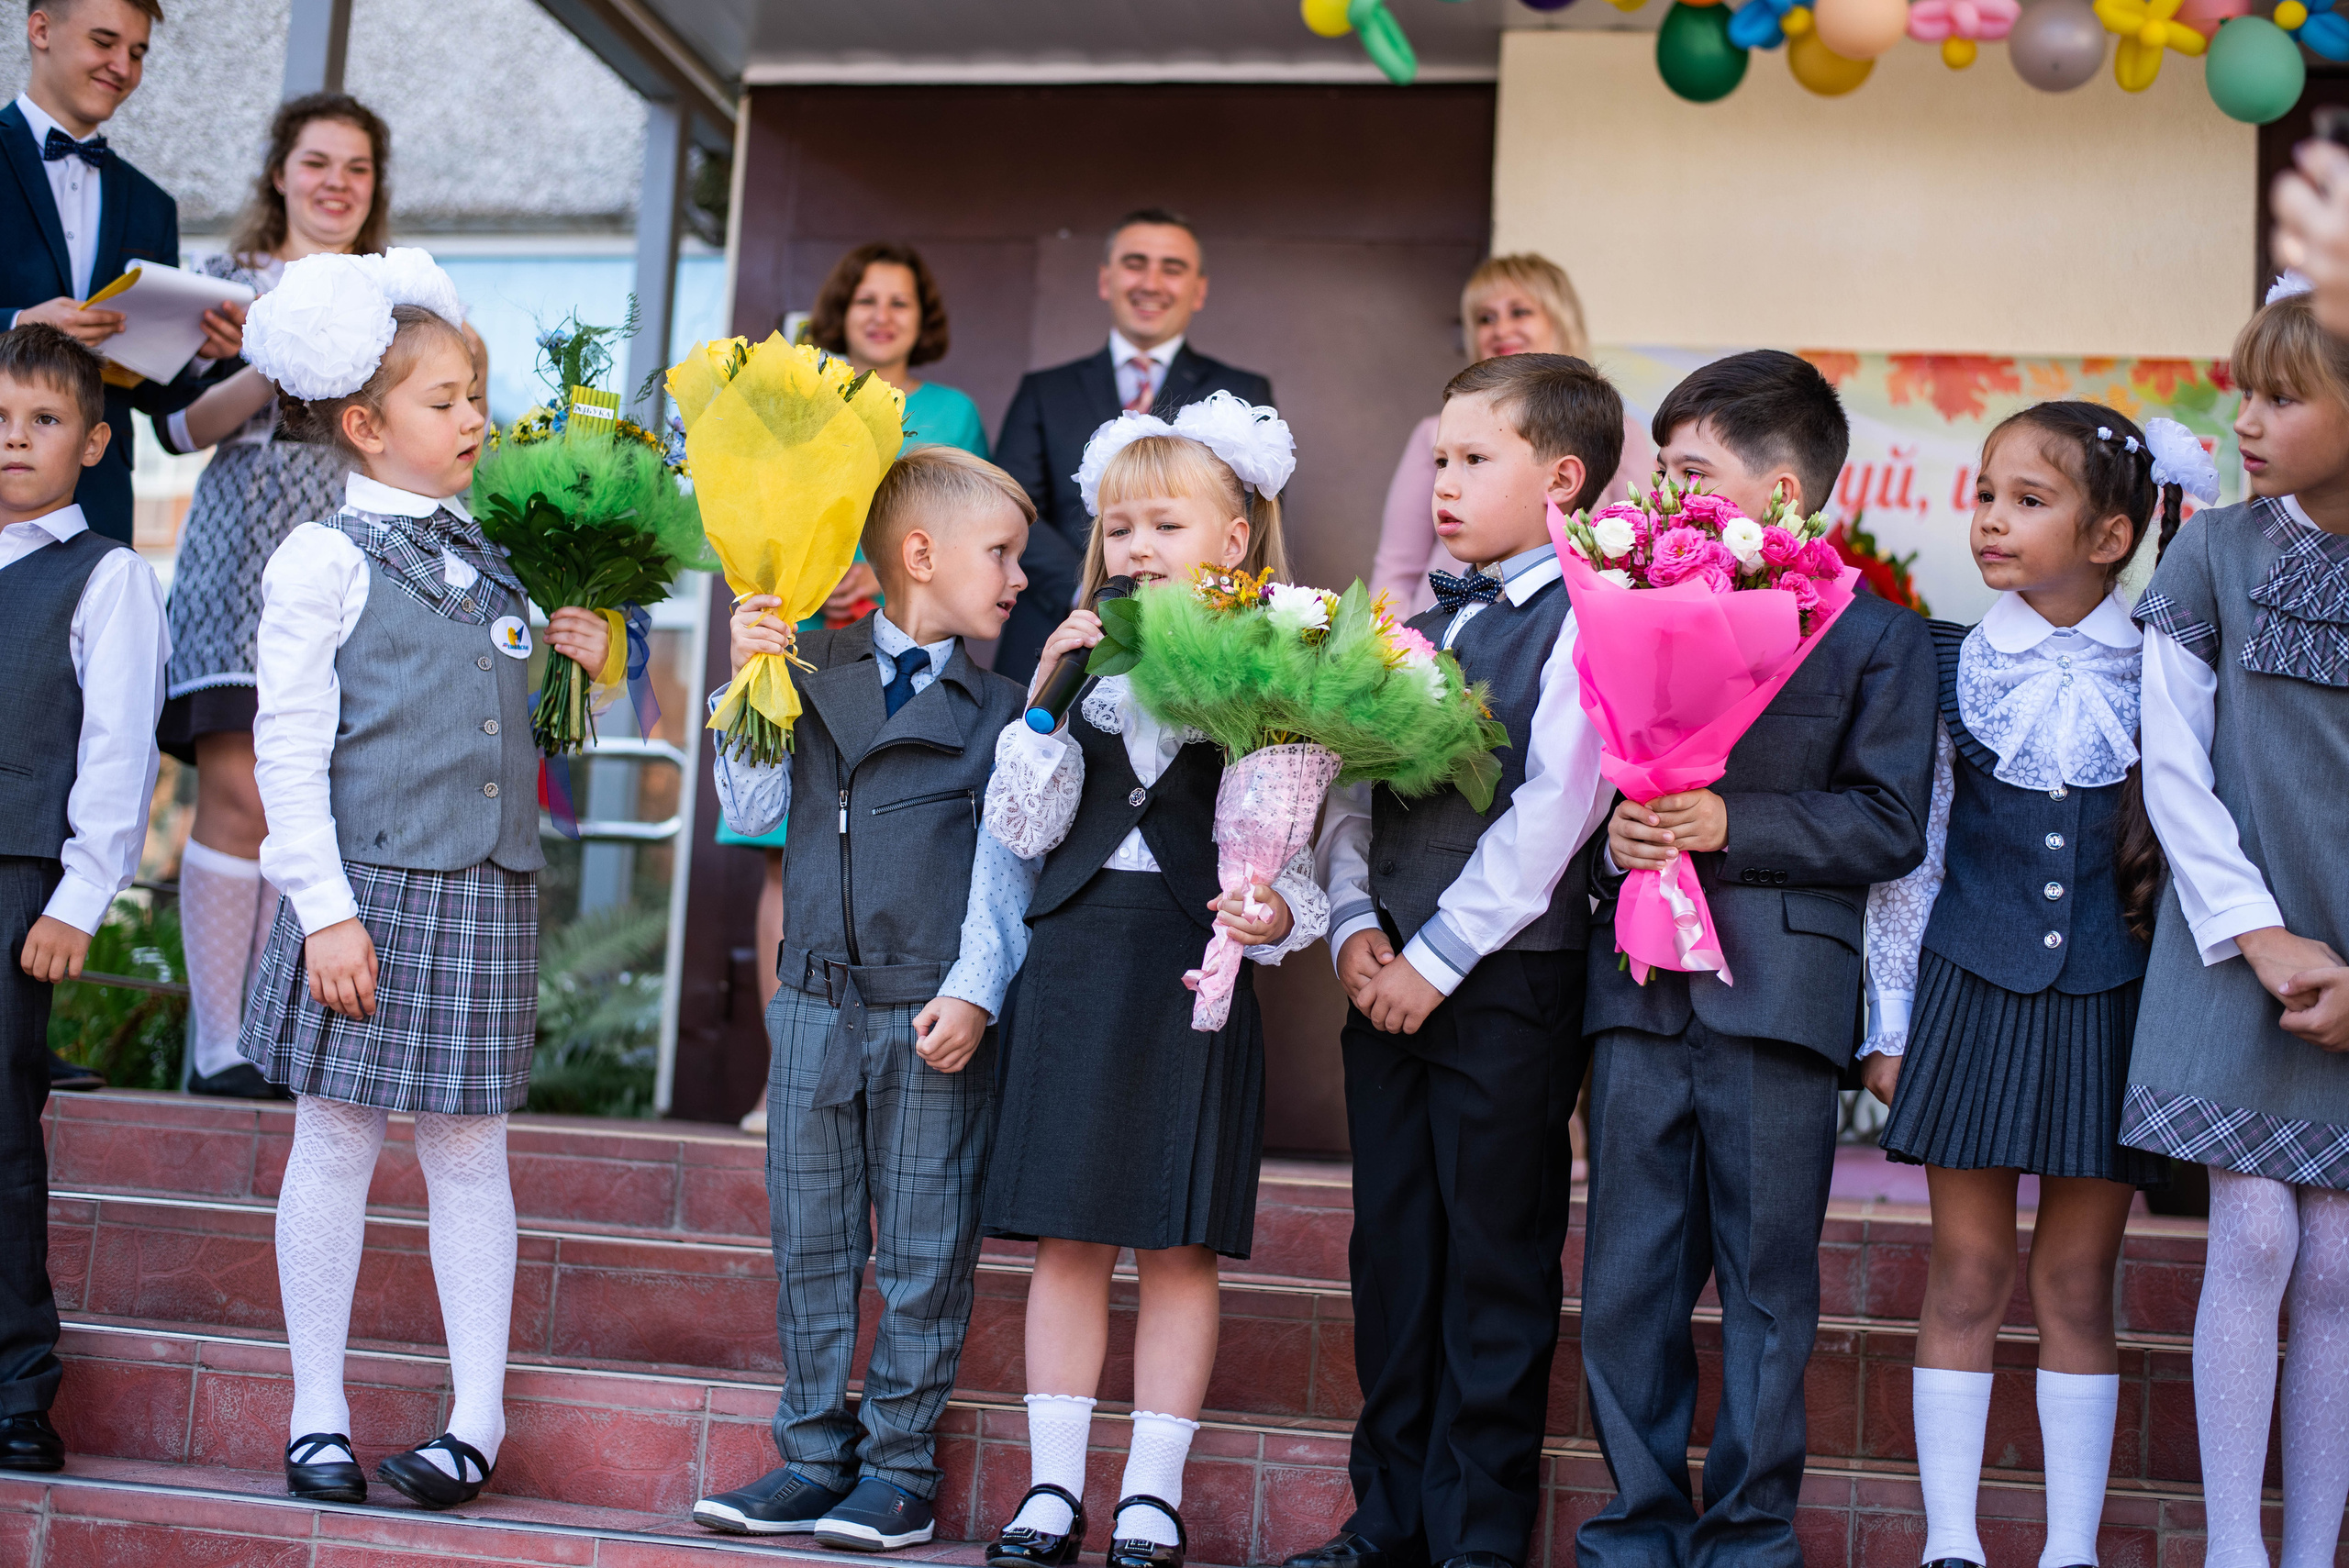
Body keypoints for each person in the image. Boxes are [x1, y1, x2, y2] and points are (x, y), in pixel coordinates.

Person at [232, 249, 610, 1510]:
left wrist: (574, 662)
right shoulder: (323, 560)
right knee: (335, 1143)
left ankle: (474, 1420)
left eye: (475, 397)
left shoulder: (502, 557)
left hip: (483, 897)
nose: (474, 421)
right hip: (368, 895)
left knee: (470, 1153)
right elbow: (285, 751)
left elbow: (521, 743)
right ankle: (317, 1409)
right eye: (446, 399)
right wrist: (323, 911)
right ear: (364, 422)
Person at [1576, 350, 1939, 1568]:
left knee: (1769, 1285)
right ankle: (1635, 1525)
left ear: (1782, 486)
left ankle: (1749, 1535)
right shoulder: (1628, 598)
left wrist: (1738, 822)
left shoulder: (1881, 637)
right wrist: (1623, 831)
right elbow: (1607, 774)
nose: (1666, 495)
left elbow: (1890, 819)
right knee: (1627, 1280)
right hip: (1637, 987)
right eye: (1663, 472)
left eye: (1691, 471)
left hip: (1776, 995)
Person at [981, 394, 1325, 1568]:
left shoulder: (1287, 667)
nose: (1136, 549)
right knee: (1068, 1235)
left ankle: (1151, 1492)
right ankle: (1051, 1489)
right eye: (1118, 528)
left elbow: (1304, 862)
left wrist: (1273, 912)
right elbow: (1023, 826)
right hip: (1080, 953)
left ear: (1234, 539)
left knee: (1178, 1242)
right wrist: (1040, 695)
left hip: (1197, 964)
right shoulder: (1083, 659)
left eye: (1165, 525)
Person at [1295, 354, 1617, 1568]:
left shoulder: (1586, 624)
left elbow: (1552, 816)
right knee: (1394, 1253)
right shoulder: (1409, 628)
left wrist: (1432, 959)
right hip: (1385, 981)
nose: (1444, 481)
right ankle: (1386, 1523)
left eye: (1476, 459)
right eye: (1439, 458)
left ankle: (1478, 1537)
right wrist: (1351, 928)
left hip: (1504, 986)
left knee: (1493, 1258)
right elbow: (1343, 799)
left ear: (1564, 479)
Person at [686, 446, 1037, 1551]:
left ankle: (896, 1465)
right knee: (812, 1242)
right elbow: (746, 802)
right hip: (812, 1009)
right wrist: (745, 680)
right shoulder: (809, 668)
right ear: (920, 555)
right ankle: (809, 1454)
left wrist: (977, 990)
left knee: (927, 1244)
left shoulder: (1006, 709)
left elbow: (1008, 871)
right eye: (1002, 553)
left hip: (932, 1012)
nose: (1019, 576)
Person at [1861, 401, 2188, 1568]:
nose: (1991, 518)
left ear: (2108, 536)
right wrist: (1889, 1022)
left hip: (2110, 1001)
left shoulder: (2164, 668)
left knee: (2073, 1274)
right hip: (1966, 987)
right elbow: (1915, 861)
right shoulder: (1947, 663)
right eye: (1986, 492)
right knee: (1968, 1266)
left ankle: (2069, 1548)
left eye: (2028, 499)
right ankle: (1951, 1541)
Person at [2118, 285, 2349, 1568]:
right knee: (2256, 1231)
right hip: (2232, 941)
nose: (2243, 422)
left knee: (2337, 1268)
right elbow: (2175, 768)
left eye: (2283, 395)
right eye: (2240, 390)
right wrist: (2262, 937)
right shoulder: (2215, 552)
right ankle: (2232, 1550)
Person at [723, 242, 996, 1138]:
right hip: (800, 635)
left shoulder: (950, 410)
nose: (882, 315)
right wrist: (805, 583)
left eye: (901, 302)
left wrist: (883, 583)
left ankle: (887, 1072)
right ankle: (784, 1075)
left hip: (901, 646)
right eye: (867, 299)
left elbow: (968, 518)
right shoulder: (798, 394)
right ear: (841, 308)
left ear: (924, 320)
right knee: (781, 850)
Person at [153, 91, 390, 1101]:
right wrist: (273, 350)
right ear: (280, 174)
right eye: (316, 162)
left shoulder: (394, 298)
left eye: (356, 168)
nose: (335, 183)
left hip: (349, 556)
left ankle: (275, 1039)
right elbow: (178, 428)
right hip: (238, 551)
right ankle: (217, 1046)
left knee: (310, 799)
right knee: (238, 786)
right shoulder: (223, 284)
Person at [0, 323, 166, 1473]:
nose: (15, 442)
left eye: (43, 421)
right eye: (0, 423)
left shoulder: (105, 576)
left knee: (1, 1136)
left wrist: (80, 892)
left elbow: (118, 749)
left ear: (94, 441)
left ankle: (16, 1387)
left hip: (15, 880)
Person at [992, 208, 1274, 684]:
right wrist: (1100, 588)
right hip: (1055, 634)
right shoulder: (1046, 390)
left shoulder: (1241, 391)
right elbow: (1011, 506)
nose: (1152, 282)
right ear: (1106, 279)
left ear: (1198, 289)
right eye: (1135, 263)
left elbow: (1256, 508)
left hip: (1199, 648)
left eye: (1172, 267)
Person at [2, 0, 242, 547]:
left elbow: (155, 396)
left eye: (137, 53)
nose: (123, 68)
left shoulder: (151, 205)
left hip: (98, 497)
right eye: (104, 42)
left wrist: (202, 349)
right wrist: (18, 322)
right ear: (40, 29)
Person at [1369, 256, 1652, 617]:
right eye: (1486, 318)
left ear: (1560, 319)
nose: (1501, 329)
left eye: (1519, 312)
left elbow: (1636, 546)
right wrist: (1394, 651)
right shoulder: (1431, 431)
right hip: (1443, 633)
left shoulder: (1623, 432)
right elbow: (1396, 569)